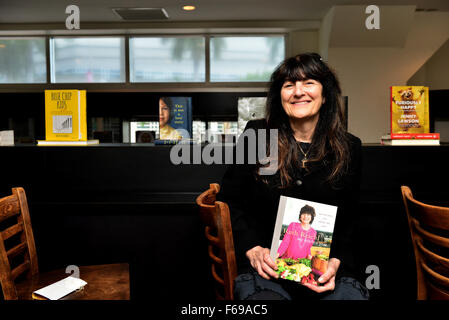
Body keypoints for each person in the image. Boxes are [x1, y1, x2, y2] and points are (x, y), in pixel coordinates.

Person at [217, 53, 369, 300]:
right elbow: (228, 202)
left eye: (309, 82)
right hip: (266, 271)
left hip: (325, 273)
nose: (298, 92)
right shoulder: (256, 136)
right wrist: (252, 249)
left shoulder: (350, 147)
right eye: (289, 85)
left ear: (325, 93)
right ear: (280, 96)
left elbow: (351, 218)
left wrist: (335, 264)